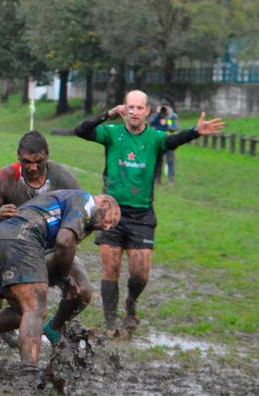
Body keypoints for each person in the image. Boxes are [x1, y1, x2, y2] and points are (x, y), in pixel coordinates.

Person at [73, 90, 223, 335]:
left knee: (140, 273)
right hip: (111, 213)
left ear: (147, 112)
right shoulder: (112, 133)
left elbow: (173, 141)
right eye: (130, 107)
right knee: (110, 268)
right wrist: (108, 114)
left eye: (139, 108)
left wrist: (196, 131)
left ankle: (131, 302)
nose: (134, 112)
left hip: (142, 215)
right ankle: (111, 324)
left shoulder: (154, 138)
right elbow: (81, 131)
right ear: (124, 109)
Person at [0, 190, 120, 373]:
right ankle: (29, 372)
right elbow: (64, 242)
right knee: (35, 308)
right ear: (104, 202)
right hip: (19, 241)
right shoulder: (85, 201)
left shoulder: (63, 202)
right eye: (111, 220)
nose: (109, 227)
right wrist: (64, 278)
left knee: (21, 311)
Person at [0, 131, 91, 345]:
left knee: (83, 291)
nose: (32, 167)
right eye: (26, 162)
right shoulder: (4, 179)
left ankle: (55, 327)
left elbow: (80, 221)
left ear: (47, 157)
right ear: (18, 157)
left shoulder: (64, 179)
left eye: (38, 162)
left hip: (52, 249)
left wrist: (63, 266)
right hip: (14, 254)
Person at [150, 98, 180, 185]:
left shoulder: (171, 117)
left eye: (166, 107)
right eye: (163, 107)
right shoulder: (156, 116)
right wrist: (157, 113)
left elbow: (174, 128)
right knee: (158, 161)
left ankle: (171, 180)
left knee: (170, 160)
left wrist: (169, 118)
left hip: (169, 141)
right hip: (159, 141)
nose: (164, 110)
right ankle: (157, 180)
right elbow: (150, 122)